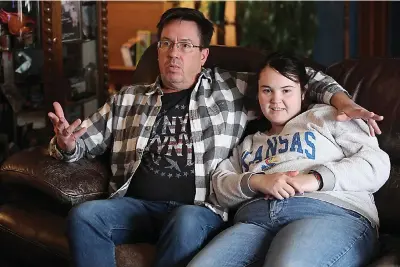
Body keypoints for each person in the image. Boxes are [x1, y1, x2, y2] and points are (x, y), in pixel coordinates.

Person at [47, 7, 384, 267]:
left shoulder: (229, 88)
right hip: (134, 204)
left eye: (185, 45)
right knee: (85, 215)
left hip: (196, 206)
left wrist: (345, 101)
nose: (173, 53)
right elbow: (82, 140)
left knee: (186, 220)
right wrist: (68, 144)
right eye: (165, 43)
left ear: (203, 55)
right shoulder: (128, 98)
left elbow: (294, 77)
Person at [187, 52, 390, 267]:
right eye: (267, 91)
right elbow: (219, 187)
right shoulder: (249, 142)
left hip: (327, 212)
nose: (276, 100)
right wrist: (257, 181)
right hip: (255, 223)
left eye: (286, 90)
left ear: (303, 93)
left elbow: (376, 163)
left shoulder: (329, 116)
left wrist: (315, 179)